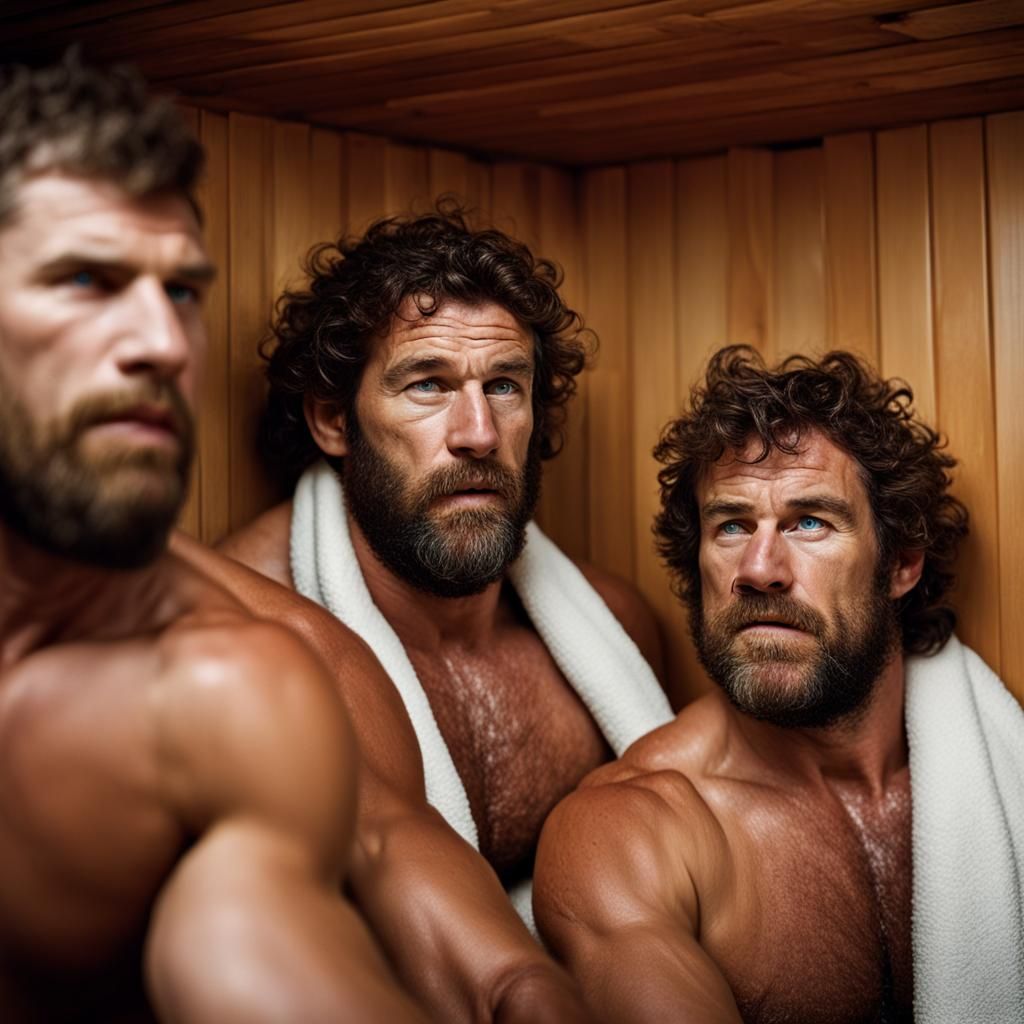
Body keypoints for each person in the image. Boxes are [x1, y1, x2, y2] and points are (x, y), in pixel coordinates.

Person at [0, 53, 427, 1023]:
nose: (160, 340)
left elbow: (263, 963)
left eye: (182, 291)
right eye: (86, 279)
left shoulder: (223, 697)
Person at [217, 208, 674, 1006]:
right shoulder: (245, 638)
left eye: (505, 386)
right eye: (428, 385)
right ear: (334, 420)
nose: (478, 432)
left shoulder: (615, 631)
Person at [533, 346, 1024, 1024]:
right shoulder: (634, 833)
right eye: (732, 525)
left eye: (810, 521)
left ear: (902, 562)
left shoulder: (1003, 780)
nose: (760, 568)